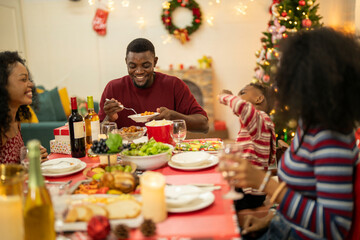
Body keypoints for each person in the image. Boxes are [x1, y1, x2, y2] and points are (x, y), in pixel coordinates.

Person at [224, 28, 360, 239]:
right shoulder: (309, 122)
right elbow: (305, 195)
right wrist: (269, 218)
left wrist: (264, 183)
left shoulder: (331, 136)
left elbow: (334, 226)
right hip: (283, 227)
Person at [98, 38, 209, 133]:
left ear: (155, 62)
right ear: (126, 62)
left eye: (146, 65)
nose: (139, 71)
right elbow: (98, 132)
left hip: (166, 151)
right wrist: (109, 118)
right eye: (132, 66)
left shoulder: (174, 85)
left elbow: (204, 125)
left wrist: (173, 117)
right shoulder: (113, 88)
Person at [218, 83, 276, 210]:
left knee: (220, 202)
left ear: (258, 99)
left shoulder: (260, 119)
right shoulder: (259, 123)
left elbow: (243, 107)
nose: (238, 98)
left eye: (243, 93)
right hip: (252, 190)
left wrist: (225, 96)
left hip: (248, 191)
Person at [0, 51, 48, 164]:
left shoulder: (15, 121)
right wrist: (27, 163)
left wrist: (29, 154)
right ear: (3, 85)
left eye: (29, 79)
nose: (31, 84)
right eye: (23, 79)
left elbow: (15, 162)